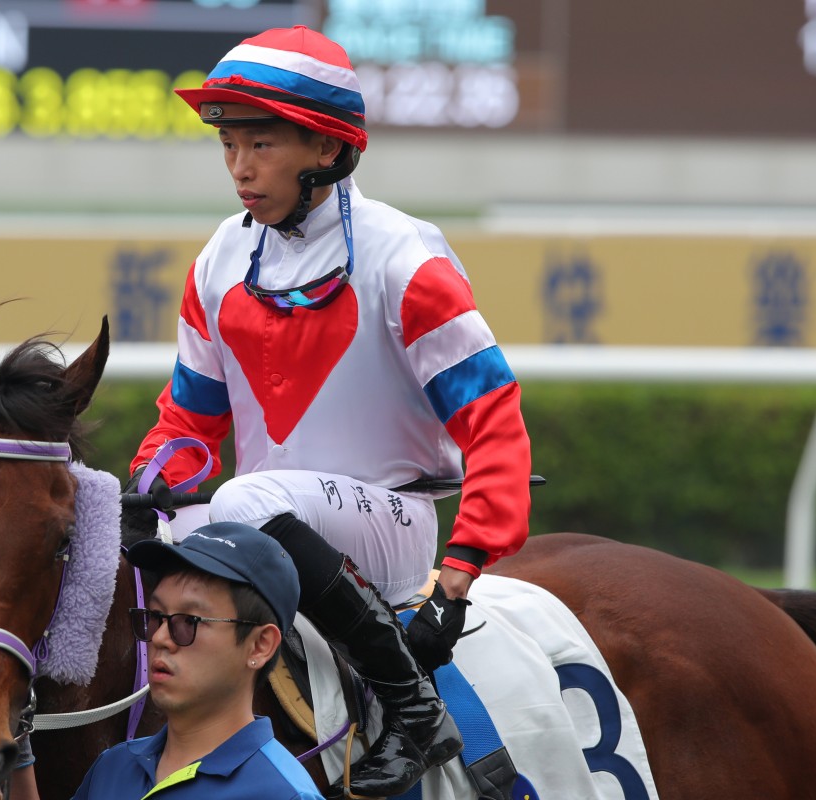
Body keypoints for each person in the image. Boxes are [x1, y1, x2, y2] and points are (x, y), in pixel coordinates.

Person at [126, 25, 533, 797]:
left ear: (325, 148)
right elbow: (188, 424)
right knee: (171, 531)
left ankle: (412, 706)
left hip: (390, 530)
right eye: (229, 146)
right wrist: (151, 481)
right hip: (271, 530)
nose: (240, 169)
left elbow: (497, 426)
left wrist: (456, 580)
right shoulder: (220, 259)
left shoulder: (407, 261)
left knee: (243, 499)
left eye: (262, 145)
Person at [70, 521, 321, 800]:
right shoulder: (112, 768)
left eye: (189, 621)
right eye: (155, 617)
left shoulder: (283, 793)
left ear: (259, 646)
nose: (161, 638)